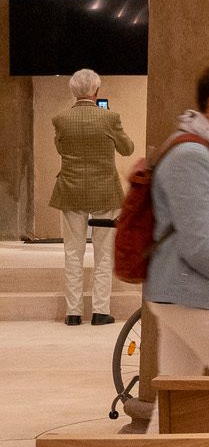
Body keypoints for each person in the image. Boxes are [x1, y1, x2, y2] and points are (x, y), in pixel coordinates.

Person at [145, 57, 209, 377]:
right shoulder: (192, 155)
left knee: (174, 398)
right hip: (191, 292)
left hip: (183, 292)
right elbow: (197, 246)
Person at [50, 68, 134, 326]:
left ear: (73, 91)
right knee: (104, 253)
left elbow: (60, 148)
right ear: (96, 91)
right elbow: (127, 149)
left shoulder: (60, 119)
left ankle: (73, 313)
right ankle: (100, 311)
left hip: (71, 191)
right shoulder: (110, 118)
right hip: (104, 191)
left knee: (73, 253)